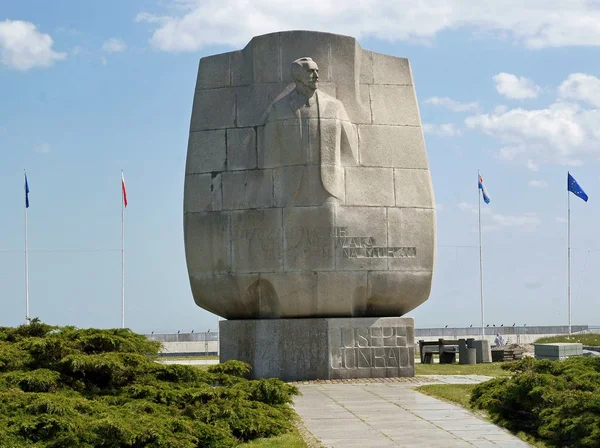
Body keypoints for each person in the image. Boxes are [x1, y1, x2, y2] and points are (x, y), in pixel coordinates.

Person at [262, 57, 357, 206]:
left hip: (328, 188)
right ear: (298, 76)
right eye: (310, 71)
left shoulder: (335, 106)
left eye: (317, 71)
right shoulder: (279, 108)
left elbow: (350, 150)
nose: (316, 75)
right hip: (290, 189)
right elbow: (269, 152)